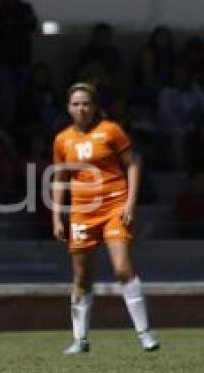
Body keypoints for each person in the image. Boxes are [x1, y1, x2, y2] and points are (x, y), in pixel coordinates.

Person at [51, 82, 159, 354]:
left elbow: (132, 164)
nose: (81, 108)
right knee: (82, 276)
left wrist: (130, 202)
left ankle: (145, 334)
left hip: (113, 207)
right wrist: (56, 216)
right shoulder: (62, 139)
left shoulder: (111, 130)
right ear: (68, 108)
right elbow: (60, 179)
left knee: (122, 268)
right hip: (81, 213)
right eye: (76, 104)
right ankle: (80, 340)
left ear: (95, 106)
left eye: (86, 103)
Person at [0, 0, 38, 129]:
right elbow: (1, 27)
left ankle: (20, 127)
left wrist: (13, 24)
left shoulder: (25, 7)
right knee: (4, 98)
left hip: (22, 58)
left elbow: (33, 25)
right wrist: (20, 24)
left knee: (23, 96)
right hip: (4, 60)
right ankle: (4, 128)